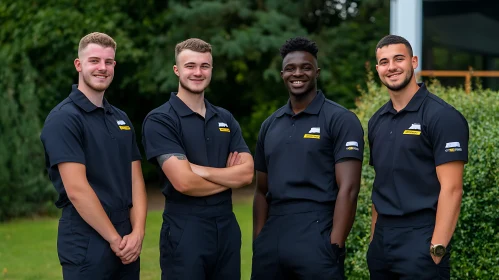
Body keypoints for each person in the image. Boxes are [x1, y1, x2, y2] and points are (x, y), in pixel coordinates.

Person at [251, 37, 364, 280]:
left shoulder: (340, 119)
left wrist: (335, 244)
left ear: (317, 72)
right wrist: (259, 241)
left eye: (306, 67)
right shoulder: (270, 125)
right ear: (282, 74)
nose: (297, 73)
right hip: (273, 237)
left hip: (318, 233)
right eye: (290, 68)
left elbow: (350, 188)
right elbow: (261, 191)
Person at [142, 38, 254, 280]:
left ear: (211, 70)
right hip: (185, 228)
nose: (198, 72)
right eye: (190, 66)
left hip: (226, 227)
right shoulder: (161, 119)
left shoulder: (225, 118)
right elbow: (184, 183)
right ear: (177, 70)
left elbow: (246, 174)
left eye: (205, 66)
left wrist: (198, 170)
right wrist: (228, 177)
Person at [40, 32, 147, 279]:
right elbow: (77, 190)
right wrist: (113, 239)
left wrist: (138, 232)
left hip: (126, 236)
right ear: (79, 65)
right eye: (94, 61)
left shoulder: (120, 118)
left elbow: (136, 180)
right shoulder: (64, 119)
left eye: (108, 62)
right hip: (86, 238)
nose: (102, 68)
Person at [367, 34, 469, 279]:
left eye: (398, 59)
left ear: (413, 61)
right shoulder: (376, 121)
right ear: (377, 68)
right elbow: (380, 183)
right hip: (382, 242)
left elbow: (453, 189)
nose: (391, 67)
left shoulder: (442, 116)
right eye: (384, 62)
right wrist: (373, 243)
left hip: (421, 239)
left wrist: (437, 248)